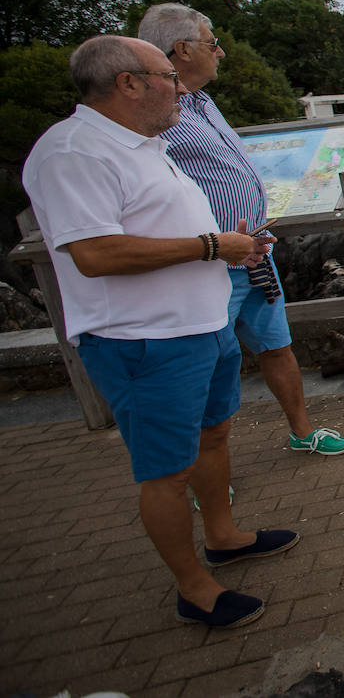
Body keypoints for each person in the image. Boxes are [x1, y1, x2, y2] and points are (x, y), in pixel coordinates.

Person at [22, 35, 297, 628]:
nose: (180, 87)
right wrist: (209, 245)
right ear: (129, 82)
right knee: (166, 469)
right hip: (142, 340)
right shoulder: (75, 153)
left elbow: (158, 228)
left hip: (202, 324)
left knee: (213, 436)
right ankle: (194, 589)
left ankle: (223, 535)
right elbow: (94, 253)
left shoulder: (143, 144)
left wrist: (227, 252)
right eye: (169, 76)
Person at [138, 3, 344, 456]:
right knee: (204, 367)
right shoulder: (152, 115)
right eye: (213, 43)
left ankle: (301, 431)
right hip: (207, 262)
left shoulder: (202, 102)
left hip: (254, 252)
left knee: (277, 346)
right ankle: (199, 474)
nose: (221, 52)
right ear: (182, 49)